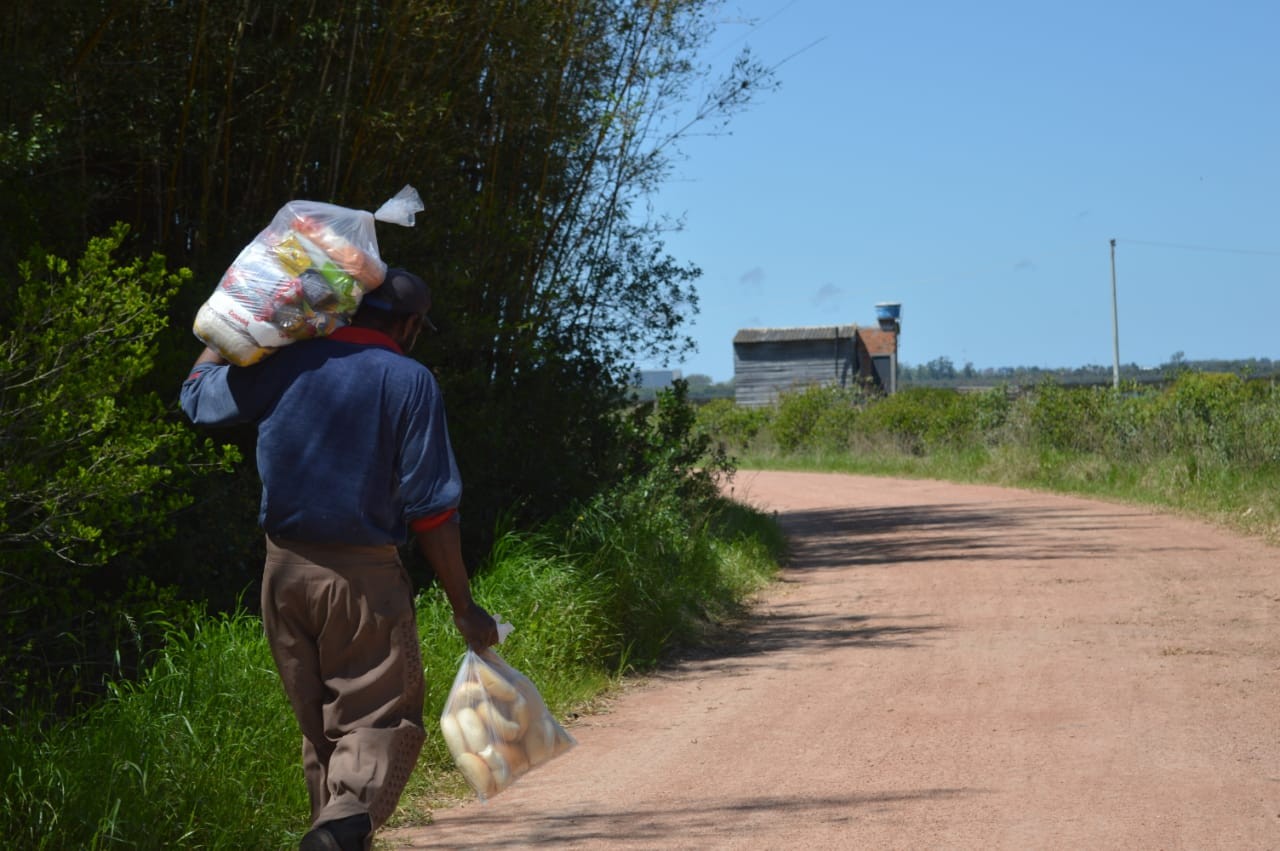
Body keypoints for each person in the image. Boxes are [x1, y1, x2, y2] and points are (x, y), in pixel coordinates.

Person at [180, 268, 499, 851]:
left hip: (282, 576)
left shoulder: (284, 362)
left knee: (324, 733)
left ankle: (330, 830)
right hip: (362, 580)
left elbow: (200, 400)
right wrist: (464, 605)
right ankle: (339, 830)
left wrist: (225, 325)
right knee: (379, 723)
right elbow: (432, 511)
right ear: (408, 325)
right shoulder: (408, 379)